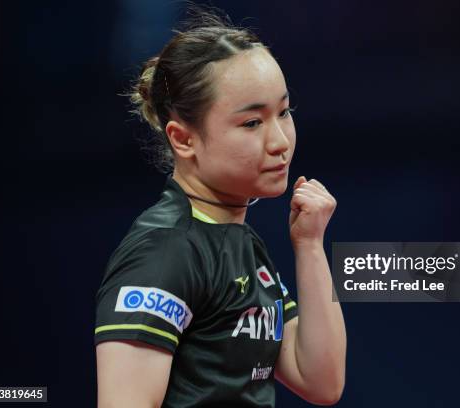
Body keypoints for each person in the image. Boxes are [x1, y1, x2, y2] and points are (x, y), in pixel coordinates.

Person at [94, 5, 346, 407]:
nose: (280, 140)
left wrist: (311, 245)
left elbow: (320, 380)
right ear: (184, 139)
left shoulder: (242, 244)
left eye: (283, 112)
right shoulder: (164, 251)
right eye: (252, 123)